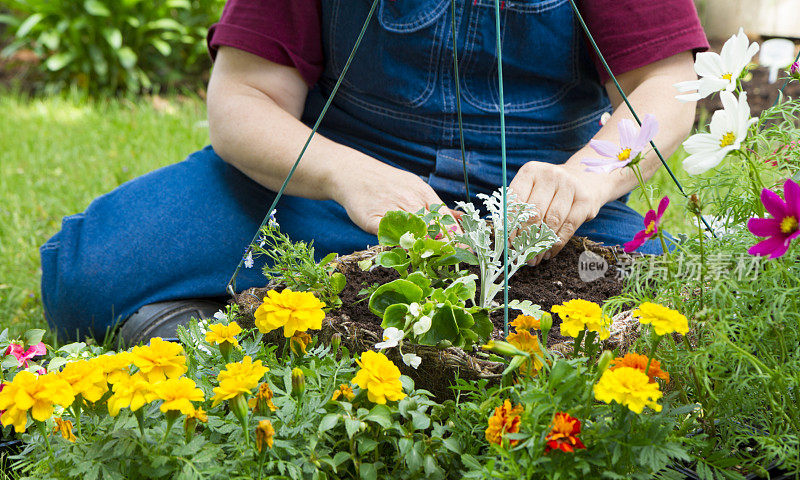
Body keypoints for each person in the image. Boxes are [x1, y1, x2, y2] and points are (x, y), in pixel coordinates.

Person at [40, 0, 708, 344]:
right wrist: (344, 175)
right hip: (335, 194)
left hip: (540, 213)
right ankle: (236, 344)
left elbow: (667, 86)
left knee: (701, 318)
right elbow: (242, 98)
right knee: (88, 273)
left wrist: (588, 178)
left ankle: (291, 338)